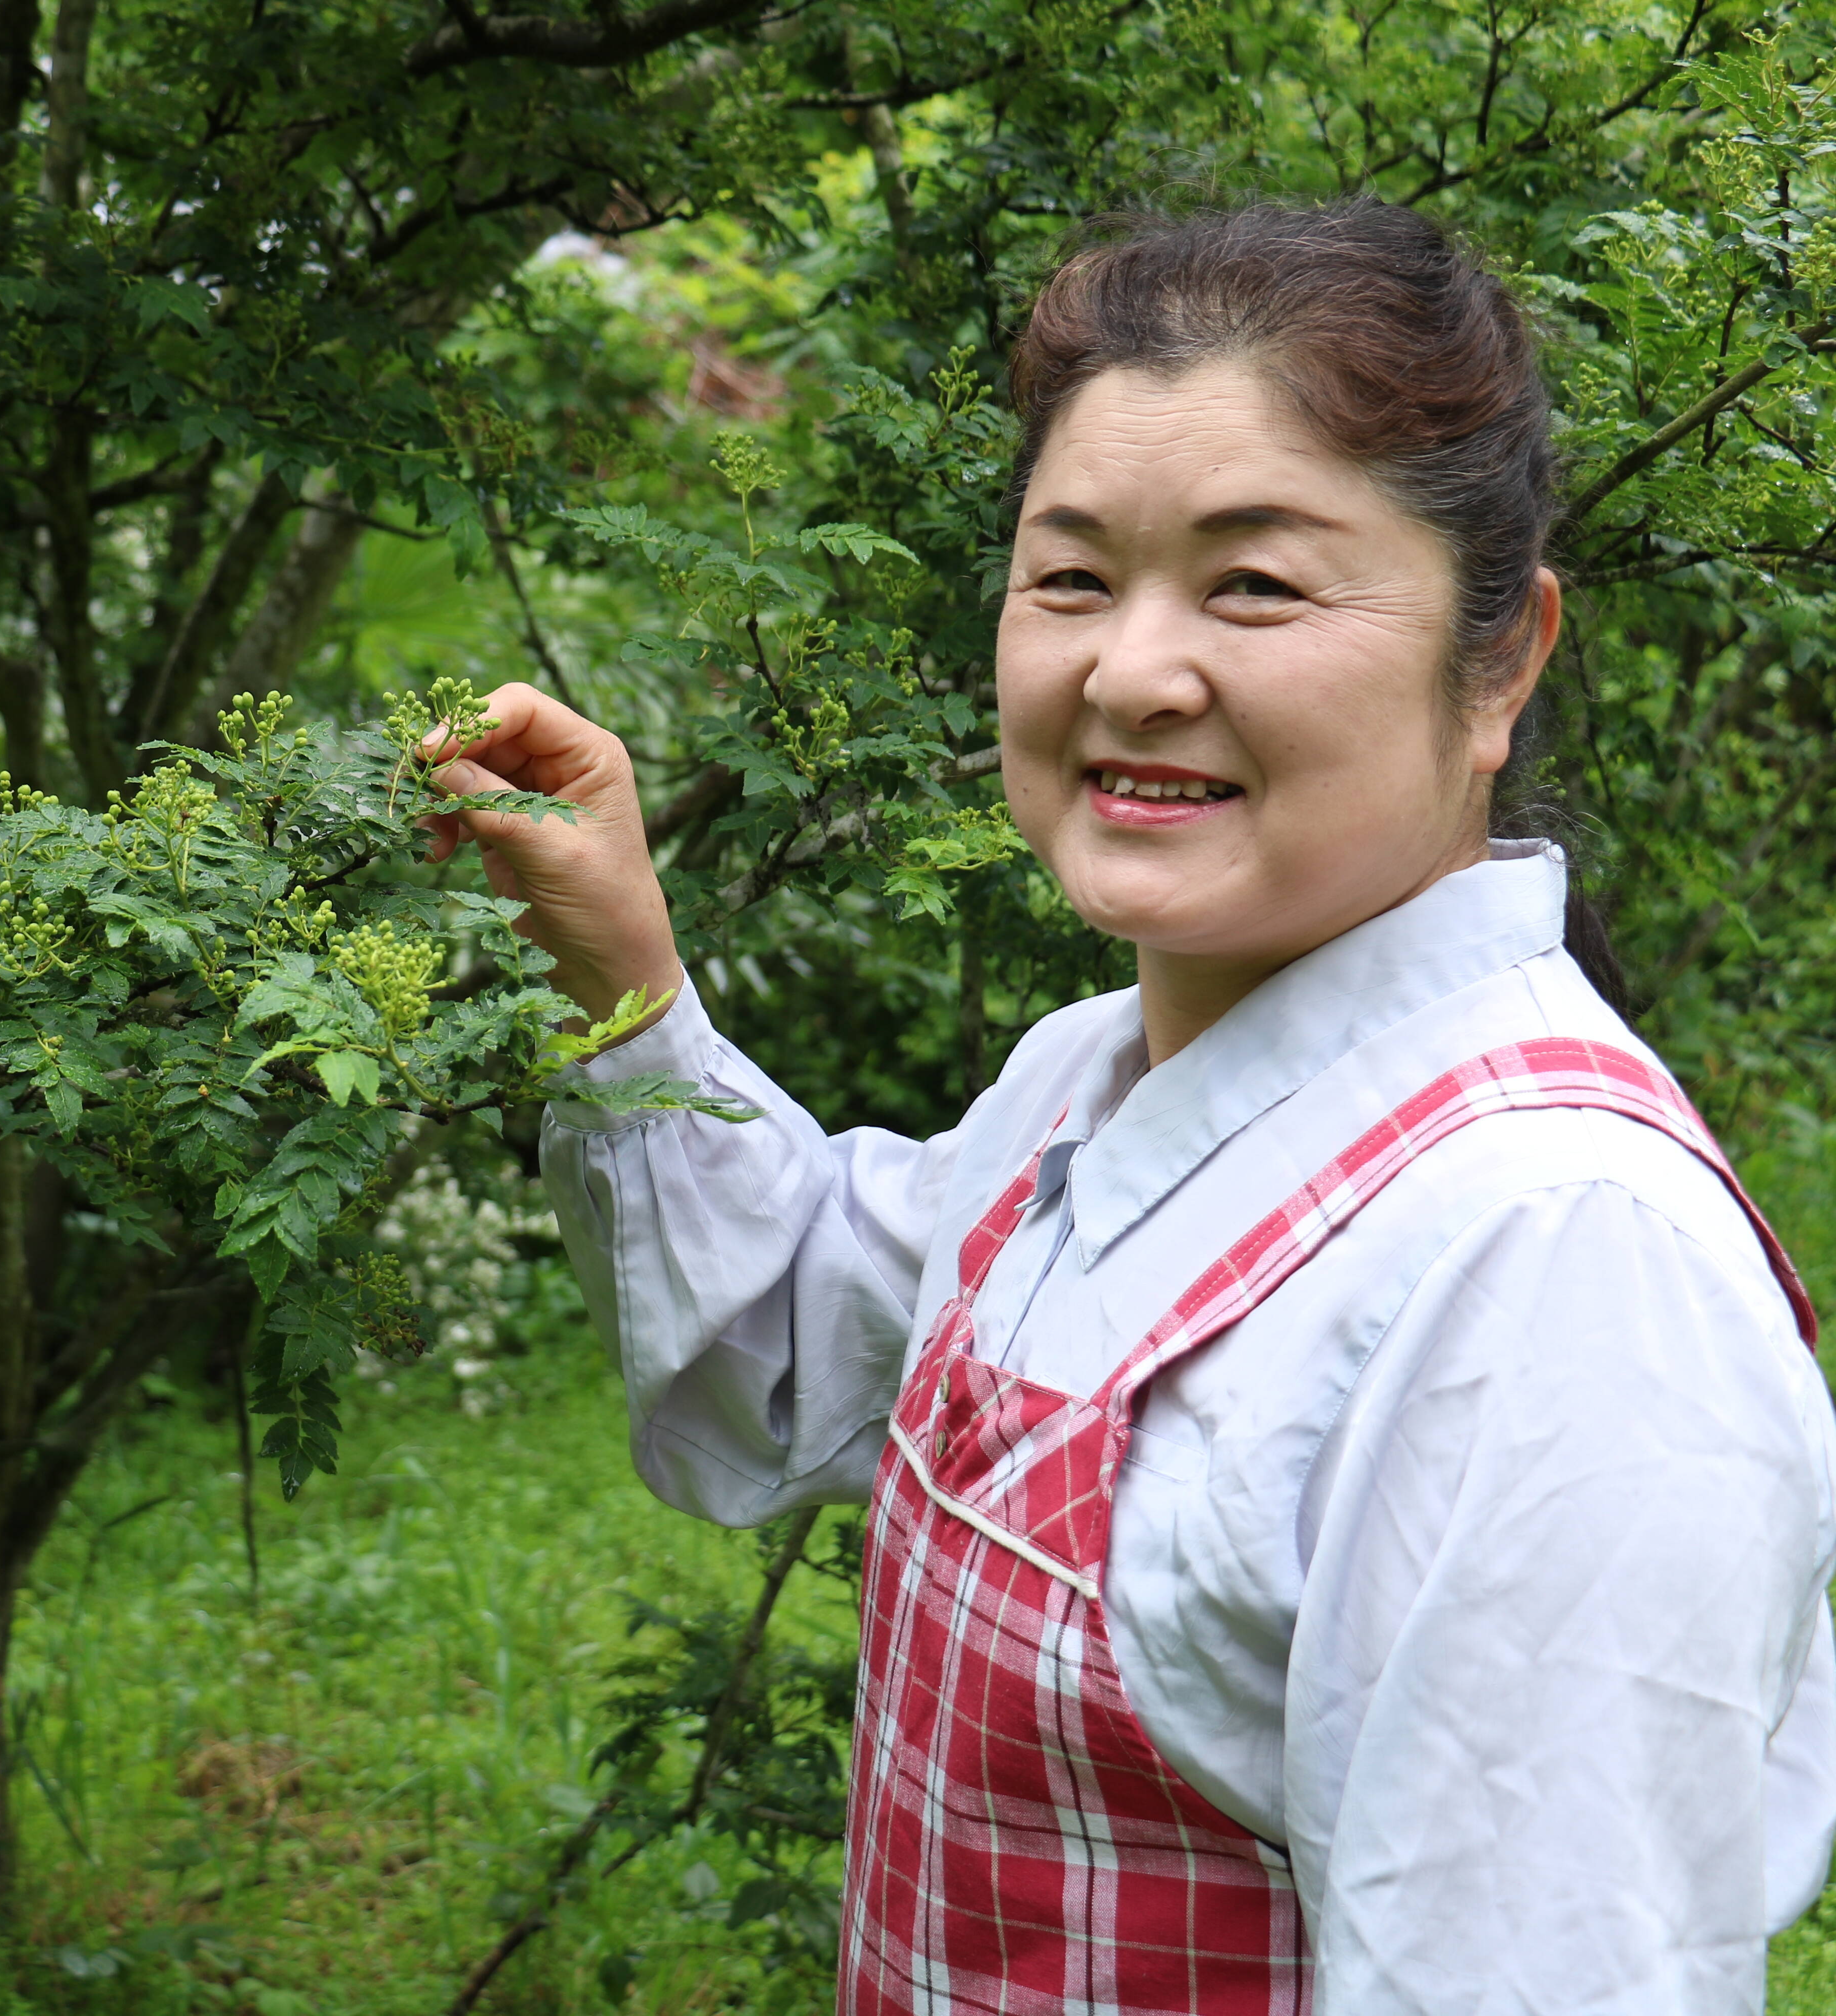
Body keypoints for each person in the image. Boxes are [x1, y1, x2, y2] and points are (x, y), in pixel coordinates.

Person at [417, 200, 1836, 2013]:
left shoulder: (1563, 1278)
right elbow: (793, 1356)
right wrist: (619, 971)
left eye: (1254, 583)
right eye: (1073, 576)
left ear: (1499, 663)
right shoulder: (1087, 1084)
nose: (1131, 673)